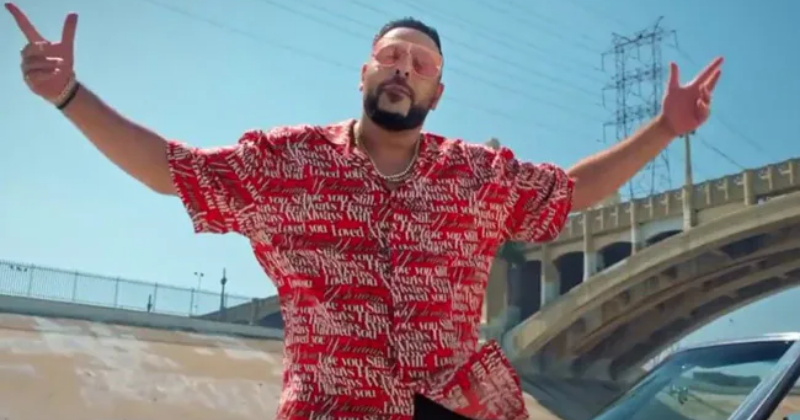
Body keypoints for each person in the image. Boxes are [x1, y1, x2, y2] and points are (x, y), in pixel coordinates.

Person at [5, 3, 723, 419]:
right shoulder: (286, 163)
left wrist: (665, 129)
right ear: (365, 72)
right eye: (391, 55)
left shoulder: (476, 175)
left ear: (437, 92)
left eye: (421, 64)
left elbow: (569, 190)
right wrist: (69, 96)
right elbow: (173, 171)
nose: (403, 68)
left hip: (467, 405)